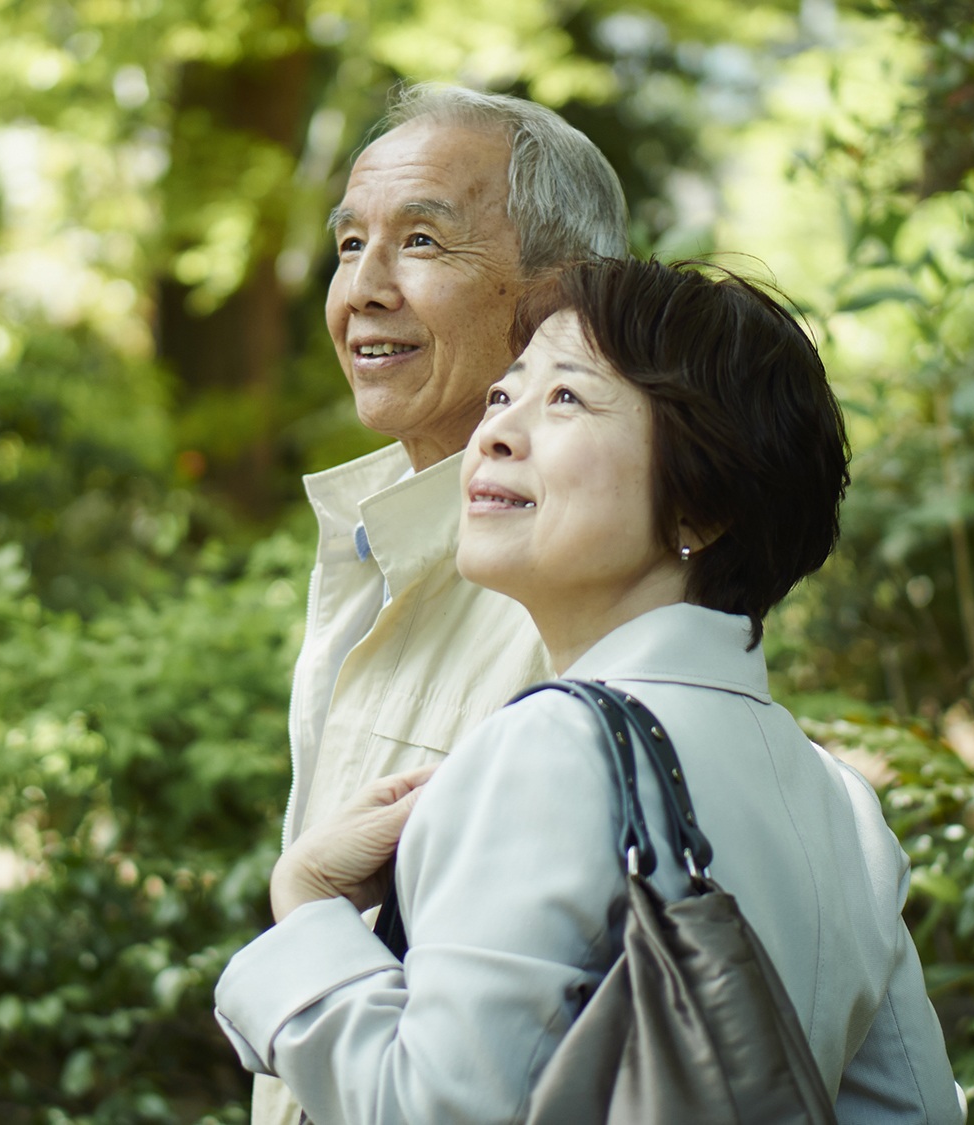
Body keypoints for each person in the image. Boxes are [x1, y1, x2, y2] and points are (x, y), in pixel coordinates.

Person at [216, 258, 963, 1123]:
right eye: (504, 395)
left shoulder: (553, 747)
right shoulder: (842, 805)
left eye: (566, 398)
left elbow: (431, 1109)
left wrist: (305, 905)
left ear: (702, 507)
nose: (494, 434)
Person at [256, 85, 631, 1125]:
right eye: (345, 246)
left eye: (420, 240)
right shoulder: (375, 539)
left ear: (560, 295)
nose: (361, 291)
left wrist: (300, 909)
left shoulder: (576, 591)